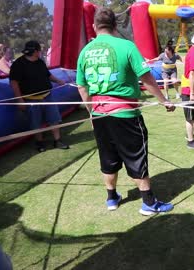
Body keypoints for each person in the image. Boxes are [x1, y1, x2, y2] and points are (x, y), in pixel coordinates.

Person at [76, 7, 176, 215]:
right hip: (125, 115)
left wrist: (91, 112)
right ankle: (148, 202)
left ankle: (111, 198)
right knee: (135, 156)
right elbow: (146, 78)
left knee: (108, 157)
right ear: (115, 26)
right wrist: (164, 100)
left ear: (94, 27)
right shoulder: (126, 46)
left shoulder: (85, 52)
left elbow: (82, 87)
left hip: (100, 114)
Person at [9, 40, 69, 153]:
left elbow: (48, 75)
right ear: (36, 51)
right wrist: (20, 100)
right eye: (38, 51)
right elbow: (14, 82)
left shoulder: (40, 62)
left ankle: (58, 140)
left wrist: (58, 81)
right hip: (31, 99)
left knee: (54, 119)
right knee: (35, 122)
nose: (39, 52)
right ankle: (39, 143)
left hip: (47, 96)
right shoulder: (18, 64)